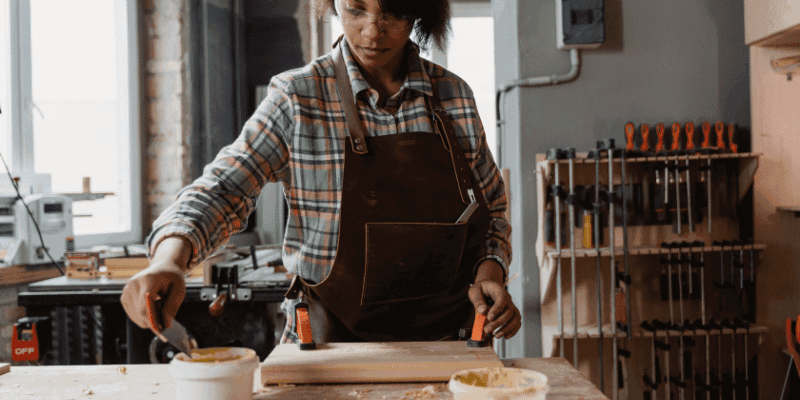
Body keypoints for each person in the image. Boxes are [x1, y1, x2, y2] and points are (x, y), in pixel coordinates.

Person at [121, 0, 520, 345]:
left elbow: (492, 213)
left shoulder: (454, 96)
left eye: (393, 13)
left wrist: (490, 273)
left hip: (445, 345)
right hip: (326, 347)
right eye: (355, 9)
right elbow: (222, 190)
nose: (372, 31)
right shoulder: (298, 98)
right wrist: (169, 261)